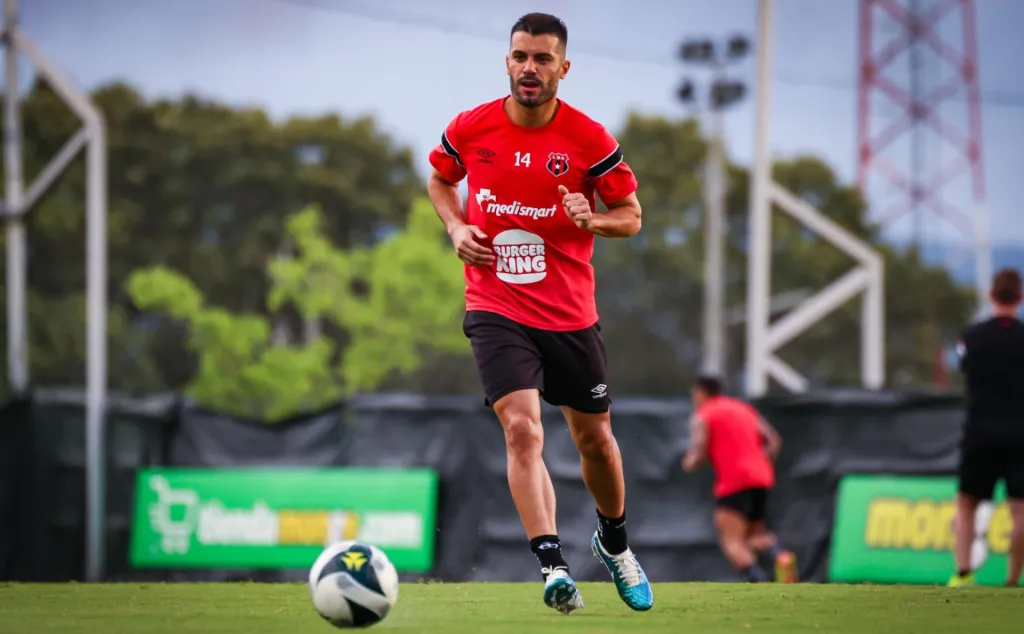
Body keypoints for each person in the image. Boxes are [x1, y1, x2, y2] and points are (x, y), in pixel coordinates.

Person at [425, 12, 652, 615]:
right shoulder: (470, 128)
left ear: (563, 68)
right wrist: (455, 226)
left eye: (543, 59)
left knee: (596, 441)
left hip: (571, 315)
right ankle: (552, 564)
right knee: (523, 429)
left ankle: (615, 542)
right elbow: (440, 181)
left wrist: (593, 219)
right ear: (507, 61)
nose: (530, 68)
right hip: (495, 305)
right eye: (521, 56)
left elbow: (631, 215)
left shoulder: (589, 139)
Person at [948, 268, 1024, 588]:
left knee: (967, 503)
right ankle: (1012, 579)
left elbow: (962, 366)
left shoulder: (973, 336)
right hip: (1021, 432)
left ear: (990, 295)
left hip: (980, 430)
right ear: (1020, 298)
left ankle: (963, 574)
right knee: (1020, 510)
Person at [681, 375, 798, 583]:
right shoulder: (743, 408)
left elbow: (698, 452)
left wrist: (689, 463)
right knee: (755, 535)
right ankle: (781, 556)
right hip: (761, 477)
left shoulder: (704, 414)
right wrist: (760, 463)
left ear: (701, 392)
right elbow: (773, 440)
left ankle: (758, 581)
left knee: (731, 541)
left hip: (733, 481)